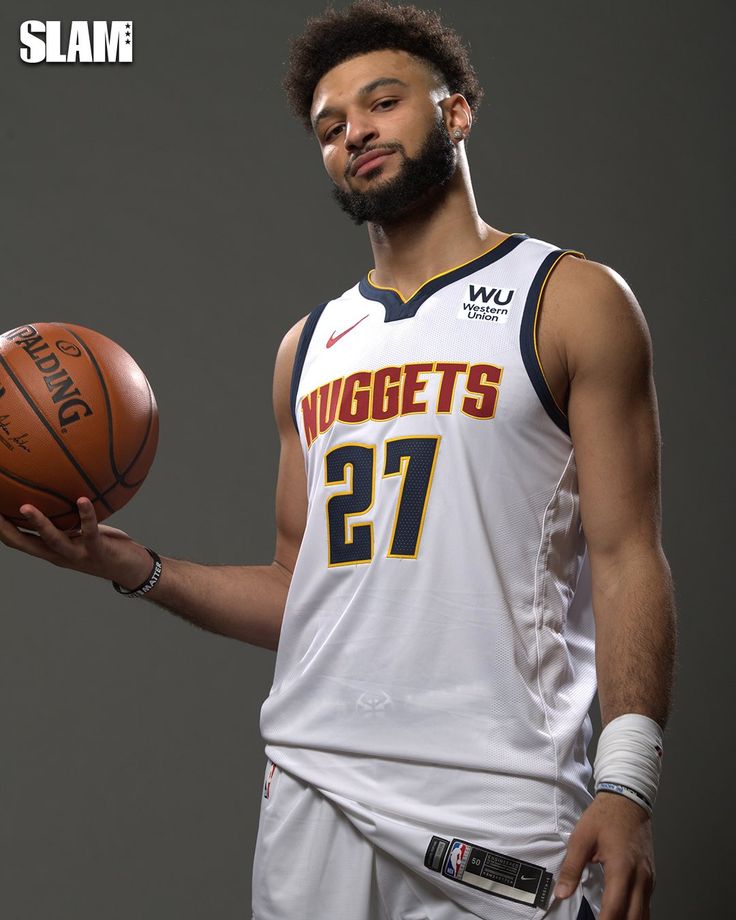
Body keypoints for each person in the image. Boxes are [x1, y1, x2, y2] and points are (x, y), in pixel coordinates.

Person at [0, 2, 676, 919]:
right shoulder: (310, 346)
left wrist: (626, 783)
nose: (354, 129)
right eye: (329, 125)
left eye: (382, 102)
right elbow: (298, 591)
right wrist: (130, 566)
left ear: (457, 111)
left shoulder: (568, 299)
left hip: (497, 790)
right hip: (312, 786)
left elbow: (629, 553)